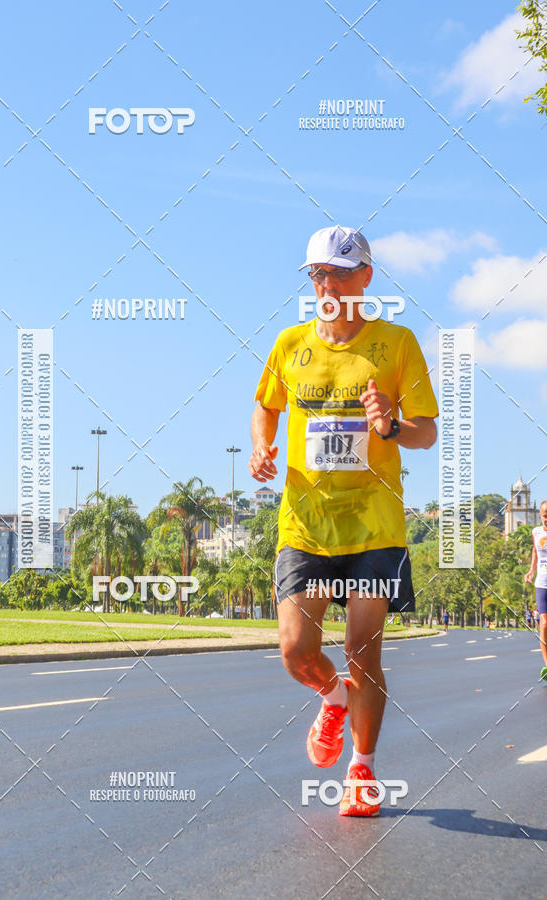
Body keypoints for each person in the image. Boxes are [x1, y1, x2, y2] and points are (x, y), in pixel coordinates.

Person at [249, 225, 438, 816]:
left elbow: (426, 433)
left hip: (374, 526)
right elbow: (265, 404)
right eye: (316, 274)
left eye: (336, 272)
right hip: (305, 523)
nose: (325, 283)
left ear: (365, 278)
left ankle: (362, 769)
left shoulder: (398, 342)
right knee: (294, 650)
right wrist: (263, 446)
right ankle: (332, 699)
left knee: (362, 650)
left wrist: (389, 426)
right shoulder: (289, 345)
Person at [524, 499, 547, 681]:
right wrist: (531, 570)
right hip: (542, 583)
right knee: (544, 624)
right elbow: (534, 550)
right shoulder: (535, 532)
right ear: (540, 515)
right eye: (545, 515)